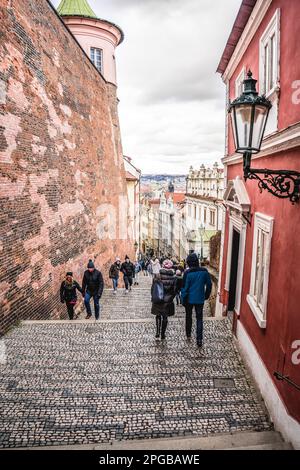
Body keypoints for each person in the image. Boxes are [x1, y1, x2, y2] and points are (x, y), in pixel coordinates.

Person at [181, 253, 212, 347]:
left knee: (188, 316)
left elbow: (184, 287)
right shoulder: (204, 271)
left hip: (189, 299)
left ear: (188, 262)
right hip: (200, 298)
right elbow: (209, 285)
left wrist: (183, 298)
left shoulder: (187, 273)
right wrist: (206, 295)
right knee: (199, 318)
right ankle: (199, 339)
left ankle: (188, 333)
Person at [151, 259, 176, 340]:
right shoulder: (173, 277)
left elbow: (153, 288)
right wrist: (171, 298)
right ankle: (163, 334)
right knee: (165, 317)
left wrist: (153, 296)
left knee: (158, 315)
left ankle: (157, 332)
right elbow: (174, 290)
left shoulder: (157, 275)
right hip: (167, 300)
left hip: (158, 299)